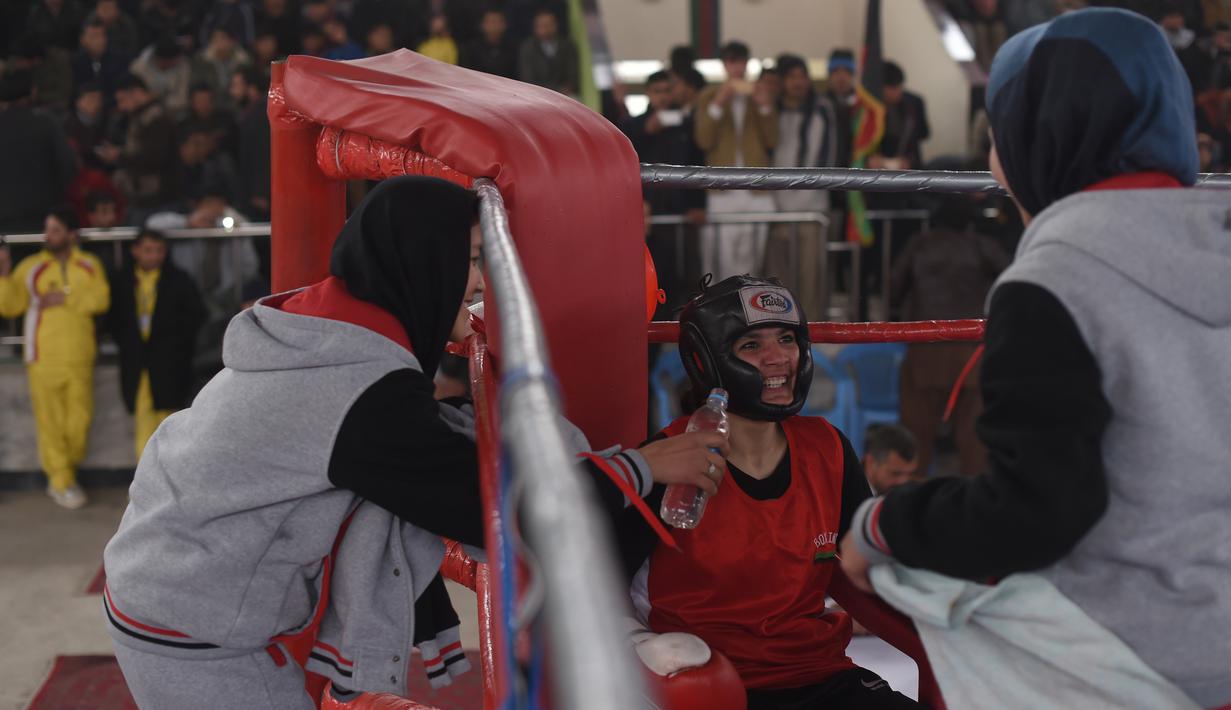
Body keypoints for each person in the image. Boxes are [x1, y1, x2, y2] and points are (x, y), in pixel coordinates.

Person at [103, 176, 724, 708]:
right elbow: (487, 502)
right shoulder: (356, 386)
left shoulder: (326, 329)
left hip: (169, 589)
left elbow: (408, 445)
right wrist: (642, 465)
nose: (485, 283)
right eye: (476, 259)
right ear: (427, 262)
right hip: (197, 633)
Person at [840, 9, 1231, 708]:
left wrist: (881, 525)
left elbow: (1036, 515)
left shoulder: (1052, 280)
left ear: (1037, 134)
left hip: (1126, 650)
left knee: (897, 583)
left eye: (997, 131)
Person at [618, 274, 918, 710]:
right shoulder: (666, 460)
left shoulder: (828, 447)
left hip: (820, 675)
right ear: (707, 360)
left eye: (787, 339)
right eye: (752, 346)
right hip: (712, 687)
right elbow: (597, 585)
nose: (779, 359)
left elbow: (873, 558)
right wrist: (640, 647)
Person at [890, 189, 1009, 477]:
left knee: (916, 435)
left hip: (924, 348)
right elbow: (1015, 280)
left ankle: (909, 496)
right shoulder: (983, 246)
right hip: (971, 351)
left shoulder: (919, 245)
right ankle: (976, 501)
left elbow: (893, 289)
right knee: (975, 441)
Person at [0, 208, 110, 509]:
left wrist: (66, 298)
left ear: (71, 235)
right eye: (48, 230)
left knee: (79, 423)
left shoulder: (89, 264)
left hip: (79, 356)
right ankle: (61, 481)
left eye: (56, 230)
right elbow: (9, 307)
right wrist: (5, 274)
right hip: (43, 357)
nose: (50, 236)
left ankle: (67, 468)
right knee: (50, 424)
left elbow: (101, 299)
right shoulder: (31, 267)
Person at [108, 228, 207, 459]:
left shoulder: (179, 280)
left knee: (170, 423)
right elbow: (113, 320)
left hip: (170, 364)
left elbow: (196, 316)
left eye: (159, 251)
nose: (153, 256)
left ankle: (166, 481)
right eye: (148, 250)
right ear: (135, 251)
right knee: (143, 422)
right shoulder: (122, 280)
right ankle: (145, 484)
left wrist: (176, 345)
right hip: (136, 363)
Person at [762, 53, 838, 321]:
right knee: (777, 277)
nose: (798, 82)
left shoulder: (821, 110)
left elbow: (827, 156)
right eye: (792, 76)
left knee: (811, 277)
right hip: (775, 207)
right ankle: (779, 326)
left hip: (812, 207)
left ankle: (811, 333)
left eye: (802, 76)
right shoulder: (771, 111)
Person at [623, 70, 706, 312]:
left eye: (667, 91)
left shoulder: (686, 125)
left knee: (686, 279)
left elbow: (697, 165)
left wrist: (697, 204)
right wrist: (645, 133)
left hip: (681, 213)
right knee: (651, 279)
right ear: (648, 93)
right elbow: (626, 165)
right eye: (657, 91)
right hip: (649, 216)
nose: (663, 97)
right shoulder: (633, 126)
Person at [694, 41, 778, 280]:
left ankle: (747, 308)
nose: (737, 69)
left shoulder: (760, 94)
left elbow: (773, 140)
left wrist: (764, 107)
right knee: (722, 258)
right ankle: (721, 309)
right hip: (723, 192)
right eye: (732, 62)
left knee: (753, 260)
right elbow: (703, 139)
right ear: (724, 65)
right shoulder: (708, 96)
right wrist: (720, 101)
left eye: (742, 62)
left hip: (756, 190)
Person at [0, 71, 77, 233]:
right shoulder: (45, 123)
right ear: (32, 92)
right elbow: (68, 164)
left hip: (4, 217)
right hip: (42, 215)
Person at [871, 62, 929, 171]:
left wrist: (909, 160)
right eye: (891, 89)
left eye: (898, 88)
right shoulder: (870, 107)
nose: (896, 93)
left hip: (909, 168)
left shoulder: (914, 103)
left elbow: (923, 134)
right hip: (877, 169)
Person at [518, 7, 578, 96]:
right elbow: (527, 78)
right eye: (542, 25)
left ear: (556, 25)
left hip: (565, 95)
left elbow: (573, 74)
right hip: (537, 94)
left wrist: (565, 89)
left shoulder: (567, 45)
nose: (546, 28)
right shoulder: (528, 47)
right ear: (536, 28)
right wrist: (551, 91)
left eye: (549, 24)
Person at [459, 7, 518, 79]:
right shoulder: (472, 48)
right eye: (491, 22)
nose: (494, 26)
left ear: (504, 25)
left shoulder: (513, 48)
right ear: (483, 25)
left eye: (498, 22)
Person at [861, 424, 918, 495]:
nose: (904, 482)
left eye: (911, 474)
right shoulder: (849, 496)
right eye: (896, 473)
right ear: (870, 463)